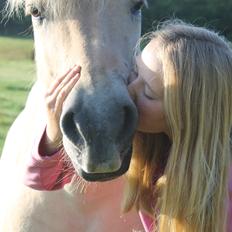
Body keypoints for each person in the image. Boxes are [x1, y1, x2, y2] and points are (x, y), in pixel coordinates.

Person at [24, 20, 232, 232]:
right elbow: (43, 180)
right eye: (135, 72)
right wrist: (53, 133)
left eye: (149, 93)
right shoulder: (138, 133)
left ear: (184, 117)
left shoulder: (221, 200)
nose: (130, 89)